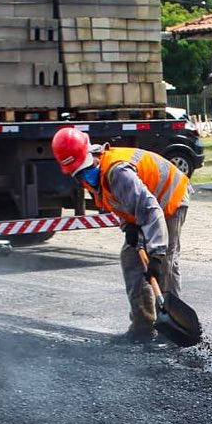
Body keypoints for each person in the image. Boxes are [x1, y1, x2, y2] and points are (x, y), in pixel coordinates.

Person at [51, 126, 192, 344]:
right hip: (147, 206)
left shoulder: (118, 172)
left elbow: (150, 210)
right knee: (131, 258)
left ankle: (173, 329)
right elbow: (120, 200)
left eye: (81, 167)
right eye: (76, 171)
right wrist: (130, 226)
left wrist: (156, 254)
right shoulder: (87, 174)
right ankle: (142, 326)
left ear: (89, 154)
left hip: (170, 198)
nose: (80, 174)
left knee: (164, 263)